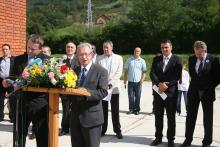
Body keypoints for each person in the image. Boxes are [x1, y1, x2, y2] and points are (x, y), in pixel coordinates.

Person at [2, 34, 50, 147]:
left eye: (32, 49)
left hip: (40, 104)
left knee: (42, 135)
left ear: (40, 48)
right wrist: (7, 81)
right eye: (28, 47)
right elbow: (13, 76)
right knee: (19, 136)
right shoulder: (19, 59)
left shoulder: (47, 61)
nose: (29, 50)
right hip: (21, 102)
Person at [180, 41, 220, 147]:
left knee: (207, 119)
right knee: (190, 117)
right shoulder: (192, 58)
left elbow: (217, 77)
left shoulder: (213, 59)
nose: (198, 55)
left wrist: (209, 87)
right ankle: (188, 140)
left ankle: (207, 142)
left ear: (205, 50)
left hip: (207, 93)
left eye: (200, 53)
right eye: (196, 53)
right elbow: (194, 75)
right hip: (193, 92)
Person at [70, 42, 108, 147]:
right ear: (77, 56)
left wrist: (86, 93)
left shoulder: (101, 71)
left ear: (92, 54)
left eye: (86, 54)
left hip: (92, 119)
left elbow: (103, 92)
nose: (84, 57)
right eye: (81, 54)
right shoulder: (73, 71)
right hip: (75, 118)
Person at [150, 39, 182, 147]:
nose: (164, 49)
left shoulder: (177, 59)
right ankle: (158, 138)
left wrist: (166, 85)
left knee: (171, 117)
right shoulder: (156, 59)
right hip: (158, 92)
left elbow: (177, 75)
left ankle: (170, 140)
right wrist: (159, 84)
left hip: (171, 94)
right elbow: (152, 74)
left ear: (171, 47)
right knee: (158, 116)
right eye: (163, 47)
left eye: (166, 47)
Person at [96, 40, 124, 139]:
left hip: (114, 88)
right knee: (103, 110)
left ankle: (117, 130)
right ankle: (103, 130)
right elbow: (97, 72)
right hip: (103, 89)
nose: (105, 49)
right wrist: (103, 84)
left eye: (107, 47)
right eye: (104, 47)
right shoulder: (98, 58)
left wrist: (111, 83)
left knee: (115, 110)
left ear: (112, 48)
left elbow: (119, 72)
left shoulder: (118, 58)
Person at [59, 41, 78, 136]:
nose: (69, 49)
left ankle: (75, 128)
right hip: (65, 90)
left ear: (75, 49)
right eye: (68, 47)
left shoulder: (79, 59)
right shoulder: (61, 60)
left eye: (71, 47)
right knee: (65, 109)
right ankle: (65, 128)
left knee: (76, 109)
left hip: (76, 89)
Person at [124, 47, 146, 115]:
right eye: (136, 51)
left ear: (140, 52)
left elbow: (144, 71)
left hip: (138, 82)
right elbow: (126, 71)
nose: (137, 52)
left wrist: (142, 79)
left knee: (138, 96)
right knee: (130, 96)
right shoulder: (129, 60)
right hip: (130, 82)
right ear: (134, 51)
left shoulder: (142, 61)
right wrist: (125, 79)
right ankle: (131, 109)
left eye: (138, 51)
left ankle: (137, 109)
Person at [0, 44, 15, 122]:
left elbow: (16, 72)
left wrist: (9, 80)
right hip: (1, 82)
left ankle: (12, 117)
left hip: (11, 82)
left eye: (6, 49)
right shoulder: (0, 60)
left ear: (9, 50)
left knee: (12, 100)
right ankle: (0, 116)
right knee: (0, 100)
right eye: (3, 49)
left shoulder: (14, 59)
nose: (5, 51)